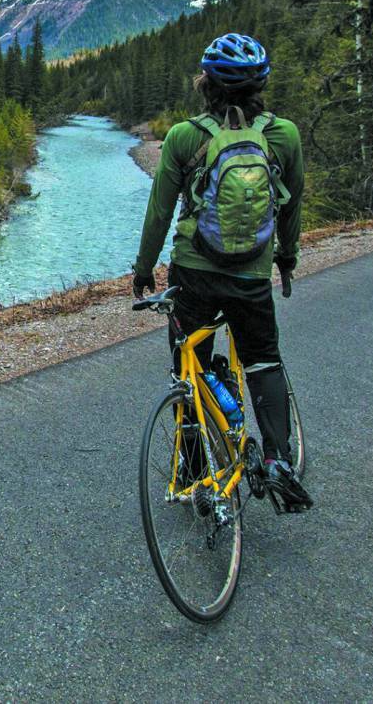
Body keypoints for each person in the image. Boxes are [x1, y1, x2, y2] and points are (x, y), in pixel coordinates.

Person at [132, 33, 312, 512]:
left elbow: (159, 213)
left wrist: (144, 269)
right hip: (252, 275)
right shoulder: (284, 136)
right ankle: (277, 461)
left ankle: (192, 472)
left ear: (205, 84)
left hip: (193, 273)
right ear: (260, 87)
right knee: (263, 362)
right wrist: (286, 257)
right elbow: (291, 208)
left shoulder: (184, 137)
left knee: (186, 372)